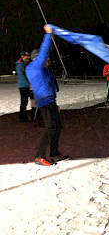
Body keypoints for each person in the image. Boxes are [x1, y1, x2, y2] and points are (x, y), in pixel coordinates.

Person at [26, 25, 68, 166]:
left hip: (49, 100)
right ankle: (39, 156)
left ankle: (54, 153)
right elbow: (44, 52)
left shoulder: (43, 69)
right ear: (36, 58)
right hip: (43, 100)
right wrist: (48, 35)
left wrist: (55, 104)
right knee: (51, 127)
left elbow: (50, 86)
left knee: (57, 126)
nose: (47, 59)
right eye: (44, 58)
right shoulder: (34, 66)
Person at [15, 51, 31, 122]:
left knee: (25, 102)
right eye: (26, 56)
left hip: (25, 85)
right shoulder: (20, 66)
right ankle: (22, 117)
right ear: (22, 57)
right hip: (23, 86)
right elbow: (23, 77)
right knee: (24, 102)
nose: (28, 57)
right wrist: (30, 83)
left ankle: (24, 117)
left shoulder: (24, 65)